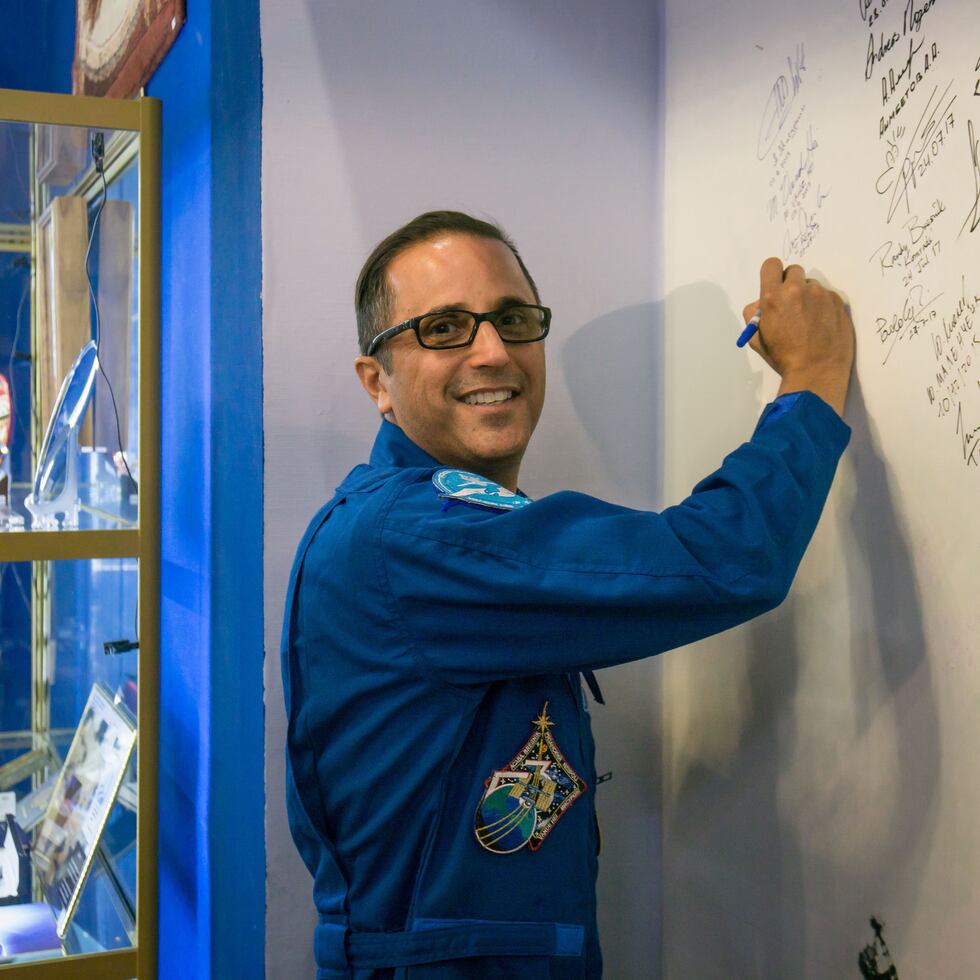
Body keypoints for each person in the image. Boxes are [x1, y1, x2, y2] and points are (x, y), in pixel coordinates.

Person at [281, 211, 855, 978]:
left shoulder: (423, 524)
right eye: (445, 327)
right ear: (377, 383)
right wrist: (813, 378)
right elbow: (723, 556)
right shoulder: (416, 536)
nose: (493, 351)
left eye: (513, 320)